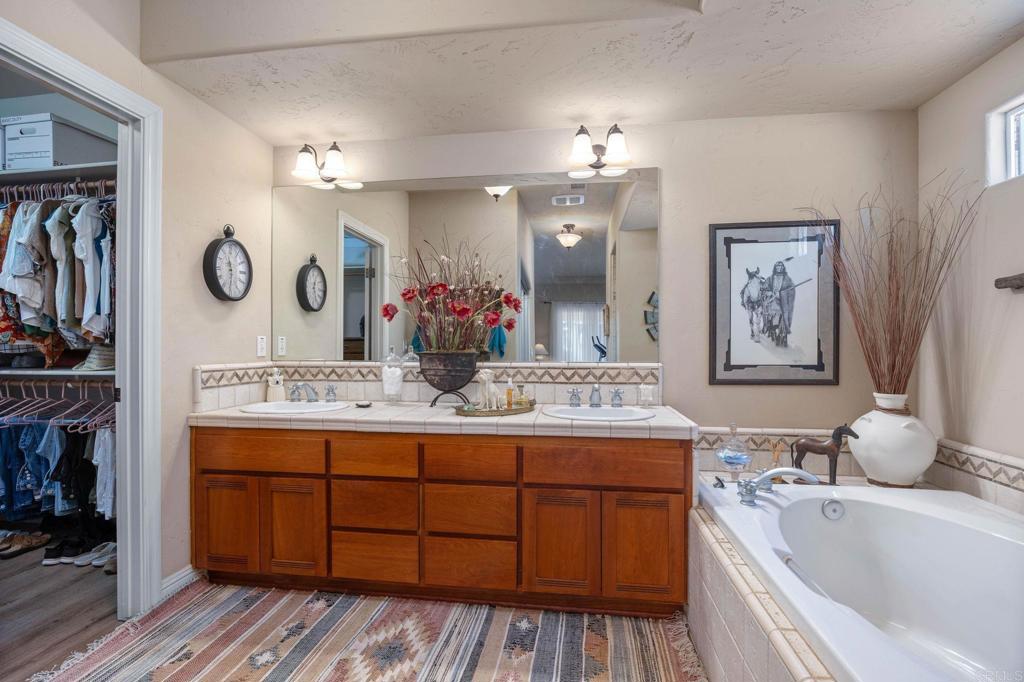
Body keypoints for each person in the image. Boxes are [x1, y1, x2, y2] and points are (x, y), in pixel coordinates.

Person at [763, 260, 795, 346]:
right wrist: (769, 292)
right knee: (773, 315)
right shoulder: (770, 278)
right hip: (773, 301)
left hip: (784, 303)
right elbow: (764, 288)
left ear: (783, 267)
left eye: (781, 266)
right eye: (777, 266)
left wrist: (782, 293)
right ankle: (772, 330)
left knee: (784, 318)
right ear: (775, 267)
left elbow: (792, 289)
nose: (779, 268)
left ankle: (783, 336)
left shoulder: (787, 279)